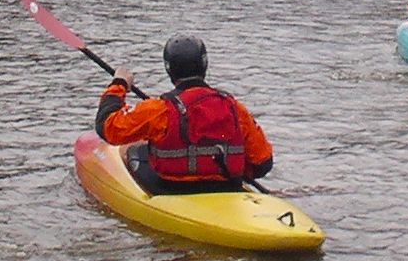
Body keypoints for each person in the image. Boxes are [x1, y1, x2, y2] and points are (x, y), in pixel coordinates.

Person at [94, 34, 274, 194]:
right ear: (204, 65)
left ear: (169, 69)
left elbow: (108, 128)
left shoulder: (159, 109)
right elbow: (262, 164)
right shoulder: (234, 107)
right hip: (227, 188)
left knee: (134, 149)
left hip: (170, 189)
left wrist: (120, 83)